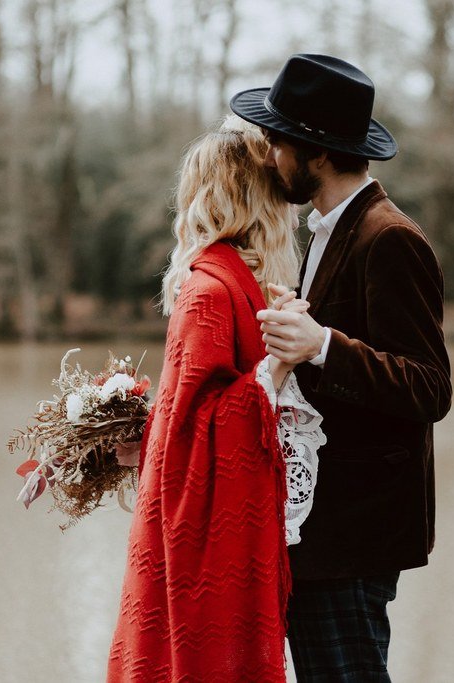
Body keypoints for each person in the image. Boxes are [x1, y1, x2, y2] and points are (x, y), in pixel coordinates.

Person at [230, 53, 453, 681]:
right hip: (325, 526)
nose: (269, 156)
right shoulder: (330, 229)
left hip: (356, 532)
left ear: (317, 153)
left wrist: (322, 344)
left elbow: (430, 387)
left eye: (276, 144)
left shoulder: (389, 238)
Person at [106, 116, 326, 682]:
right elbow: (195, 426)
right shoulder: (208, 292)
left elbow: (187, 411)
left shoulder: (236, 283)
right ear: (251, 199)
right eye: (274, 190)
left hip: (232, 529)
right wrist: (279, 361)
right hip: (201, 548)